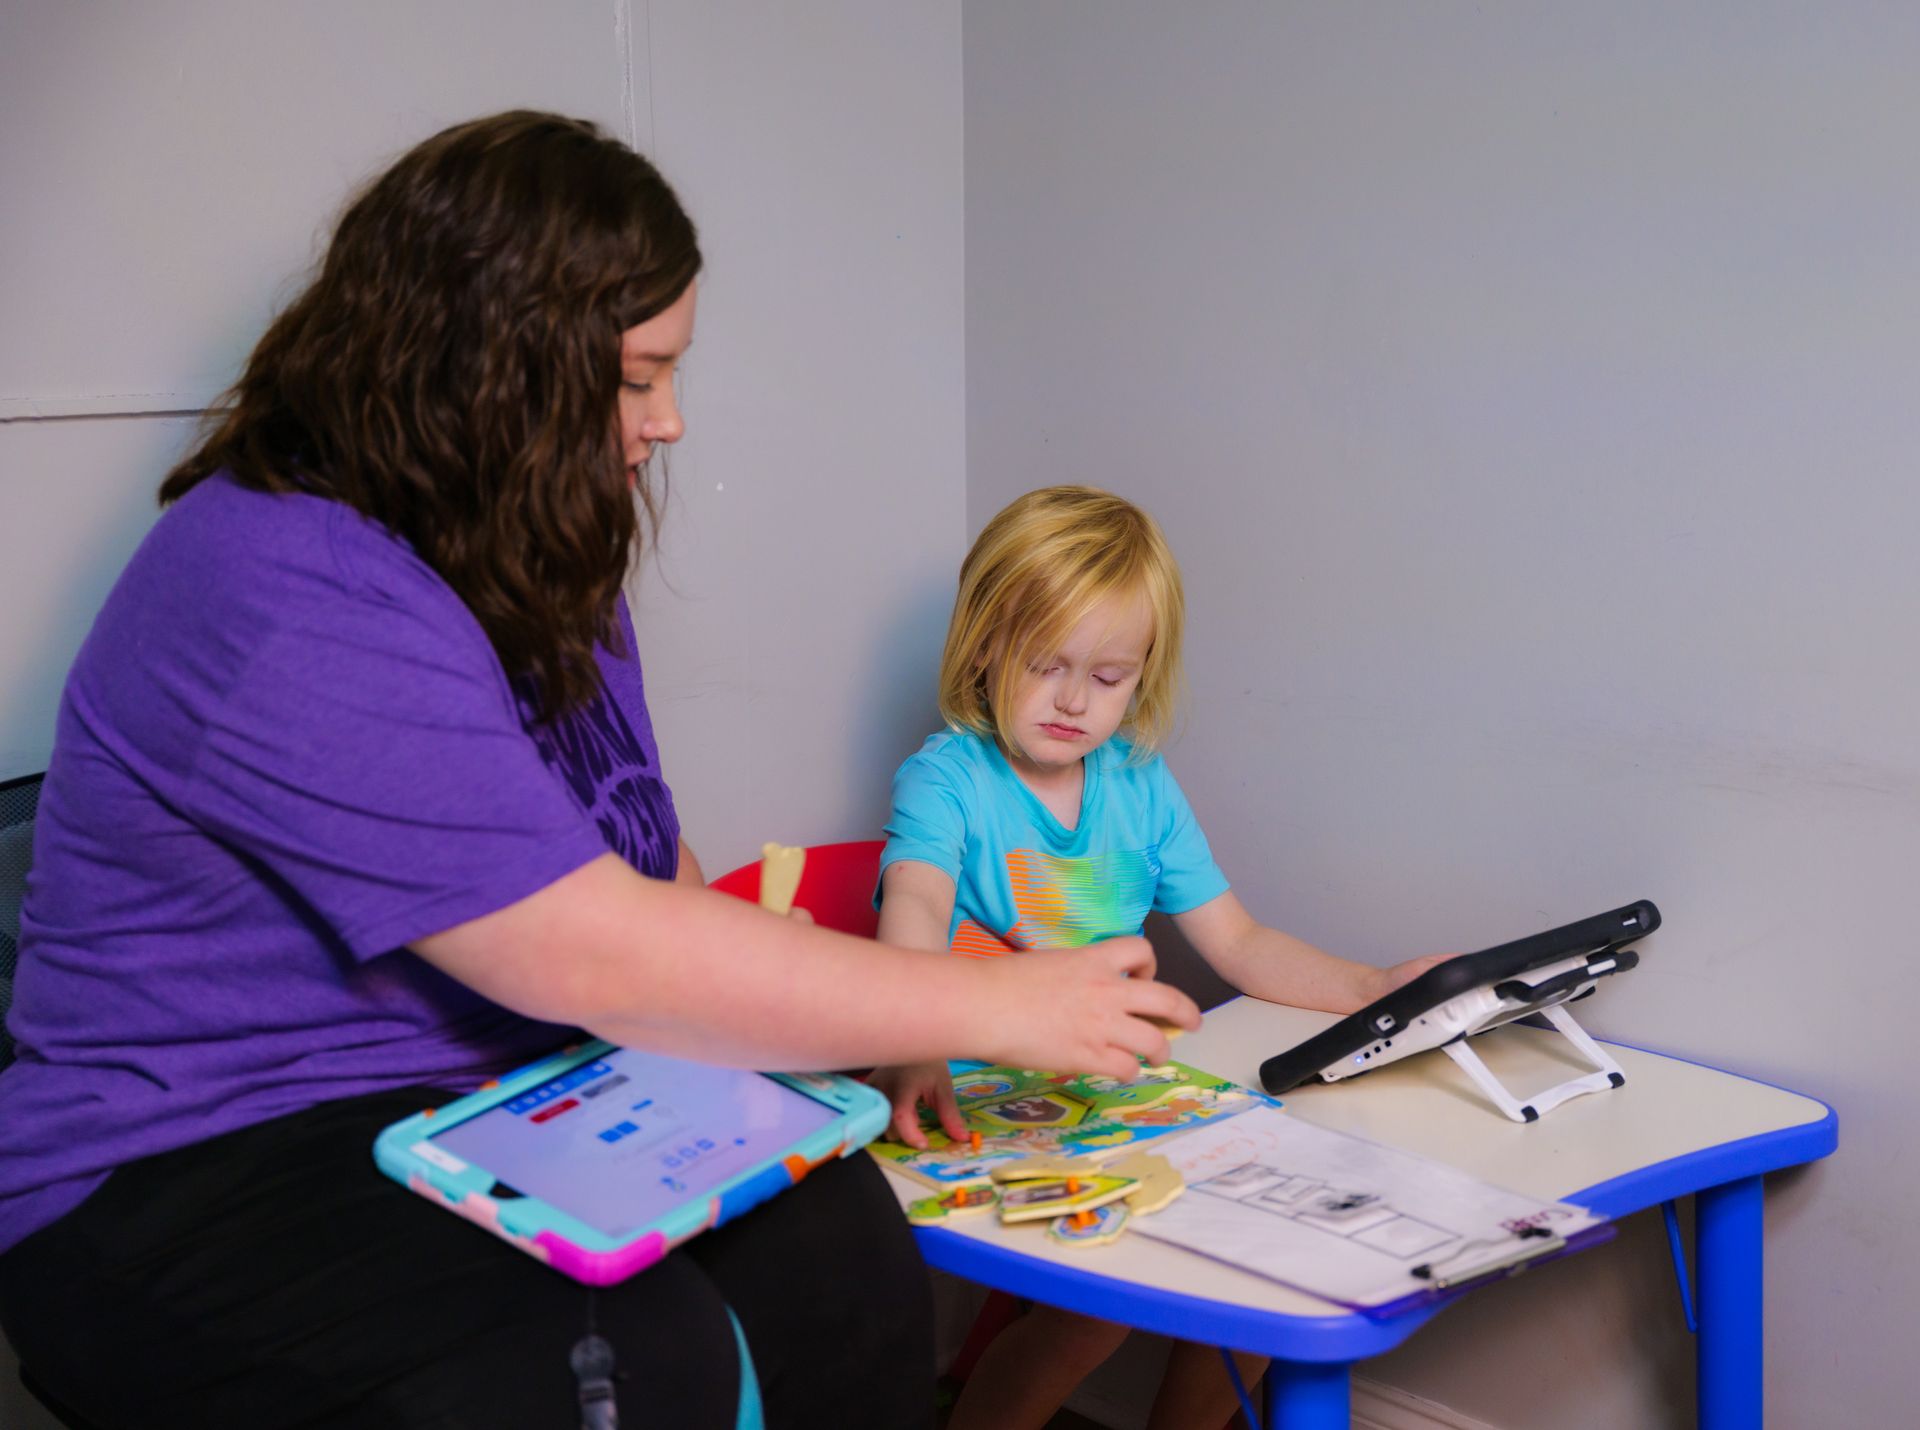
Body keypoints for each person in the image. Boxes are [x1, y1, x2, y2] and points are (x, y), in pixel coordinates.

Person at [0, 115, 1200, 1430]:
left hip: (479, 1103)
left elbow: (654, 879)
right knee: (633, 1354)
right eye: (638, 377)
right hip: (188, 1166)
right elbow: (594, 953)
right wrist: (987, 1005)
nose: (670, 421)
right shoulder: (279, 580)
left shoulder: (539, 558)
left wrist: (863, 1035)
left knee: (843, 1241)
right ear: (492, 363)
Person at [871, 485, 1445, 1430]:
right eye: (1044, 664)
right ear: (982, 644)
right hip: (967, 1089)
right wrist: (916, 1028)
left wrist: (1374, 987)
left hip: (1104, 1089)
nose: (1072, 701)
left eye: (1107, 677)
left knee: (1275, 1273)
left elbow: (1241, 942)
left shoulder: (1138, 783)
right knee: (1090, 1321)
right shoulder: (949, 778)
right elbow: (916, 903)